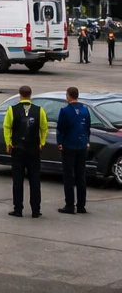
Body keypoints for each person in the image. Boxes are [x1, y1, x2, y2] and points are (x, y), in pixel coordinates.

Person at [3, 84, 48, 217]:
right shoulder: (39, 110)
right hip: (33, 149)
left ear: (20, 95)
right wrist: (41, 143)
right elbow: (44, 128)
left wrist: (8, 143)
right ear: (30, 95)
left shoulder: (12, 109)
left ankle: (18, 209)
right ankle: (35, 210)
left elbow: (7, 127)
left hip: (17, 149)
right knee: (34, 180)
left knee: (18, 180)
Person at [56, 86, 91, 215]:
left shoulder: (65, 111)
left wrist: (59, 142)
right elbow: (87, 127)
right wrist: (87, 141)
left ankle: (70, 205)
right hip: (82, 145)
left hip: (69, 145)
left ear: (68, 96)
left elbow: (61, 128)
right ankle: (81, 205)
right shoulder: (85, 110)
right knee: (81, 175)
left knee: (69, 176)